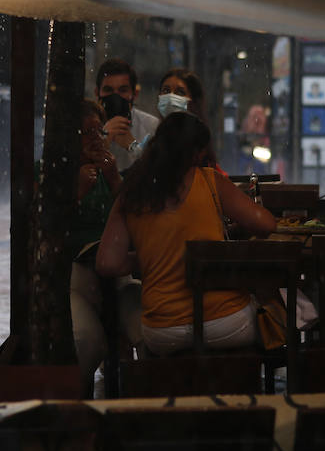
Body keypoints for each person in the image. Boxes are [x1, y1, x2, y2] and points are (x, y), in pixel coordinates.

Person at [95, 112, 275, 355]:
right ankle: (248, 385)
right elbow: (266, 224)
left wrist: (151, 255)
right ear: (197, 152)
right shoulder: (209, 181)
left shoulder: (132, 191)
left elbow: (107, 263)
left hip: (162, 330)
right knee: (269, 307)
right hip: (225, 323)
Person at [65, 99, 135, 394]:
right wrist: (78, 192)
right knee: (87, 341)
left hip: (117, 270)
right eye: (85, 134)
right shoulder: (51, 172)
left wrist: (114, 178)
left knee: (144, 327)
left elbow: (137, 221)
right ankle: (76, 411)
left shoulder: (114, 174)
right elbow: (43, 229)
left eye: (98, 132)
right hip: (73, 273)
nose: (94, 140)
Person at [95, 57, 159, 171]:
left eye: (123, 90)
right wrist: (103, 142)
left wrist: (133, 147)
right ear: (97, 93)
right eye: (108, 90)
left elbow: (157, 171)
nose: (115, 97)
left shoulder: (151, 126)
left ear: (135, 94)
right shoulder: (88, 126)